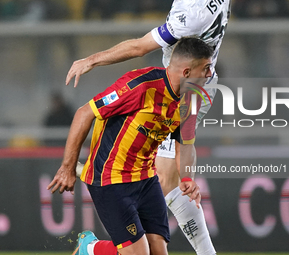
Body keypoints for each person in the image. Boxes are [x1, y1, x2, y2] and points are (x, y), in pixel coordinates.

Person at [66, 1, 231, 254]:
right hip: (189, 82)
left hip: (185, 83)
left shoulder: (192, 13)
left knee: (166, 177)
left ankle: (95, 243)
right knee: (165, 176)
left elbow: (140, 46)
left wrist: (92, 60)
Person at [47, 37, 213, 255]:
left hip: (146, 179)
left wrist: (187, 178)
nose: (210, 74)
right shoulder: (140, 86)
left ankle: (92, 249)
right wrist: (67, 168)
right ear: (187, 73)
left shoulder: (192, 98)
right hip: (110, 178)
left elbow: (185, 143)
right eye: (207, 68)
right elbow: (84, 113)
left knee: (158, 252)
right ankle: (90, 248)